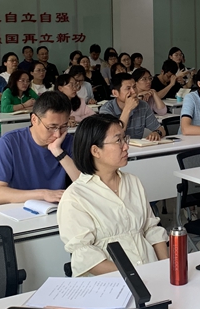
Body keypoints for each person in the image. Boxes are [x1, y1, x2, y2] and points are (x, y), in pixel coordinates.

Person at [58, 114, 169, 277]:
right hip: (112, 282)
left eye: (125, 139)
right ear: (95, 151)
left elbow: (151, 228)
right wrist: (134, 276)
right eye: (118, 141)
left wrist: (166, 267)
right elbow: (85, 256)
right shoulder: (75, 197)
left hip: (151, 272)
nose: (126, 146)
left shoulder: (133, 182)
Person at [0, 92, 80, 204]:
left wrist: (58, 152)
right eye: (52, 127)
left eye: (64, 126)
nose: (57, 134)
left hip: (56, 208)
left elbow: (86, 187)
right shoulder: (10, 142)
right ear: (34, 119)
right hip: (20, 208)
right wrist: (43, 194)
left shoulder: (68, 141)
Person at [100, 73, 166, 141]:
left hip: (136, 147)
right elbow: (114, 135)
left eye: (134, 87)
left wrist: (156, 133)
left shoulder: (143, 105)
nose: (134, 91)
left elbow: (161, 130)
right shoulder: (106, 109)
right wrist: (127, 108)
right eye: (128, 88)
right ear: (115, 93)